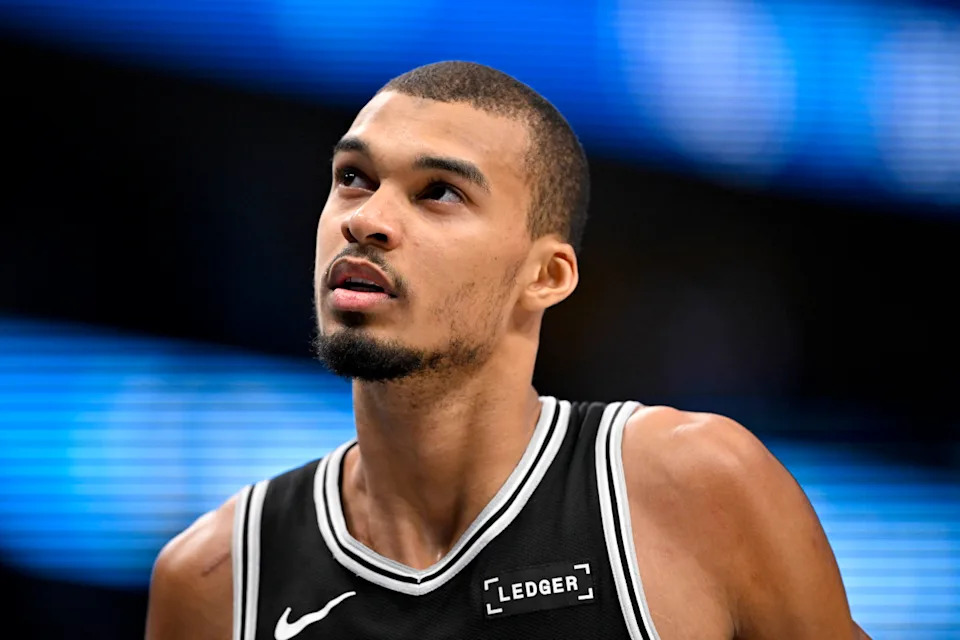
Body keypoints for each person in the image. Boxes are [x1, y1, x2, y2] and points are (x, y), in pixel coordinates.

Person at [144, 61, 871, 640]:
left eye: (439, 192)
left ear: (546, 276)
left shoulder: (694, 487)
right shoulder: (216, 579)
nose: (367, 220)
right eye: (354, 178)